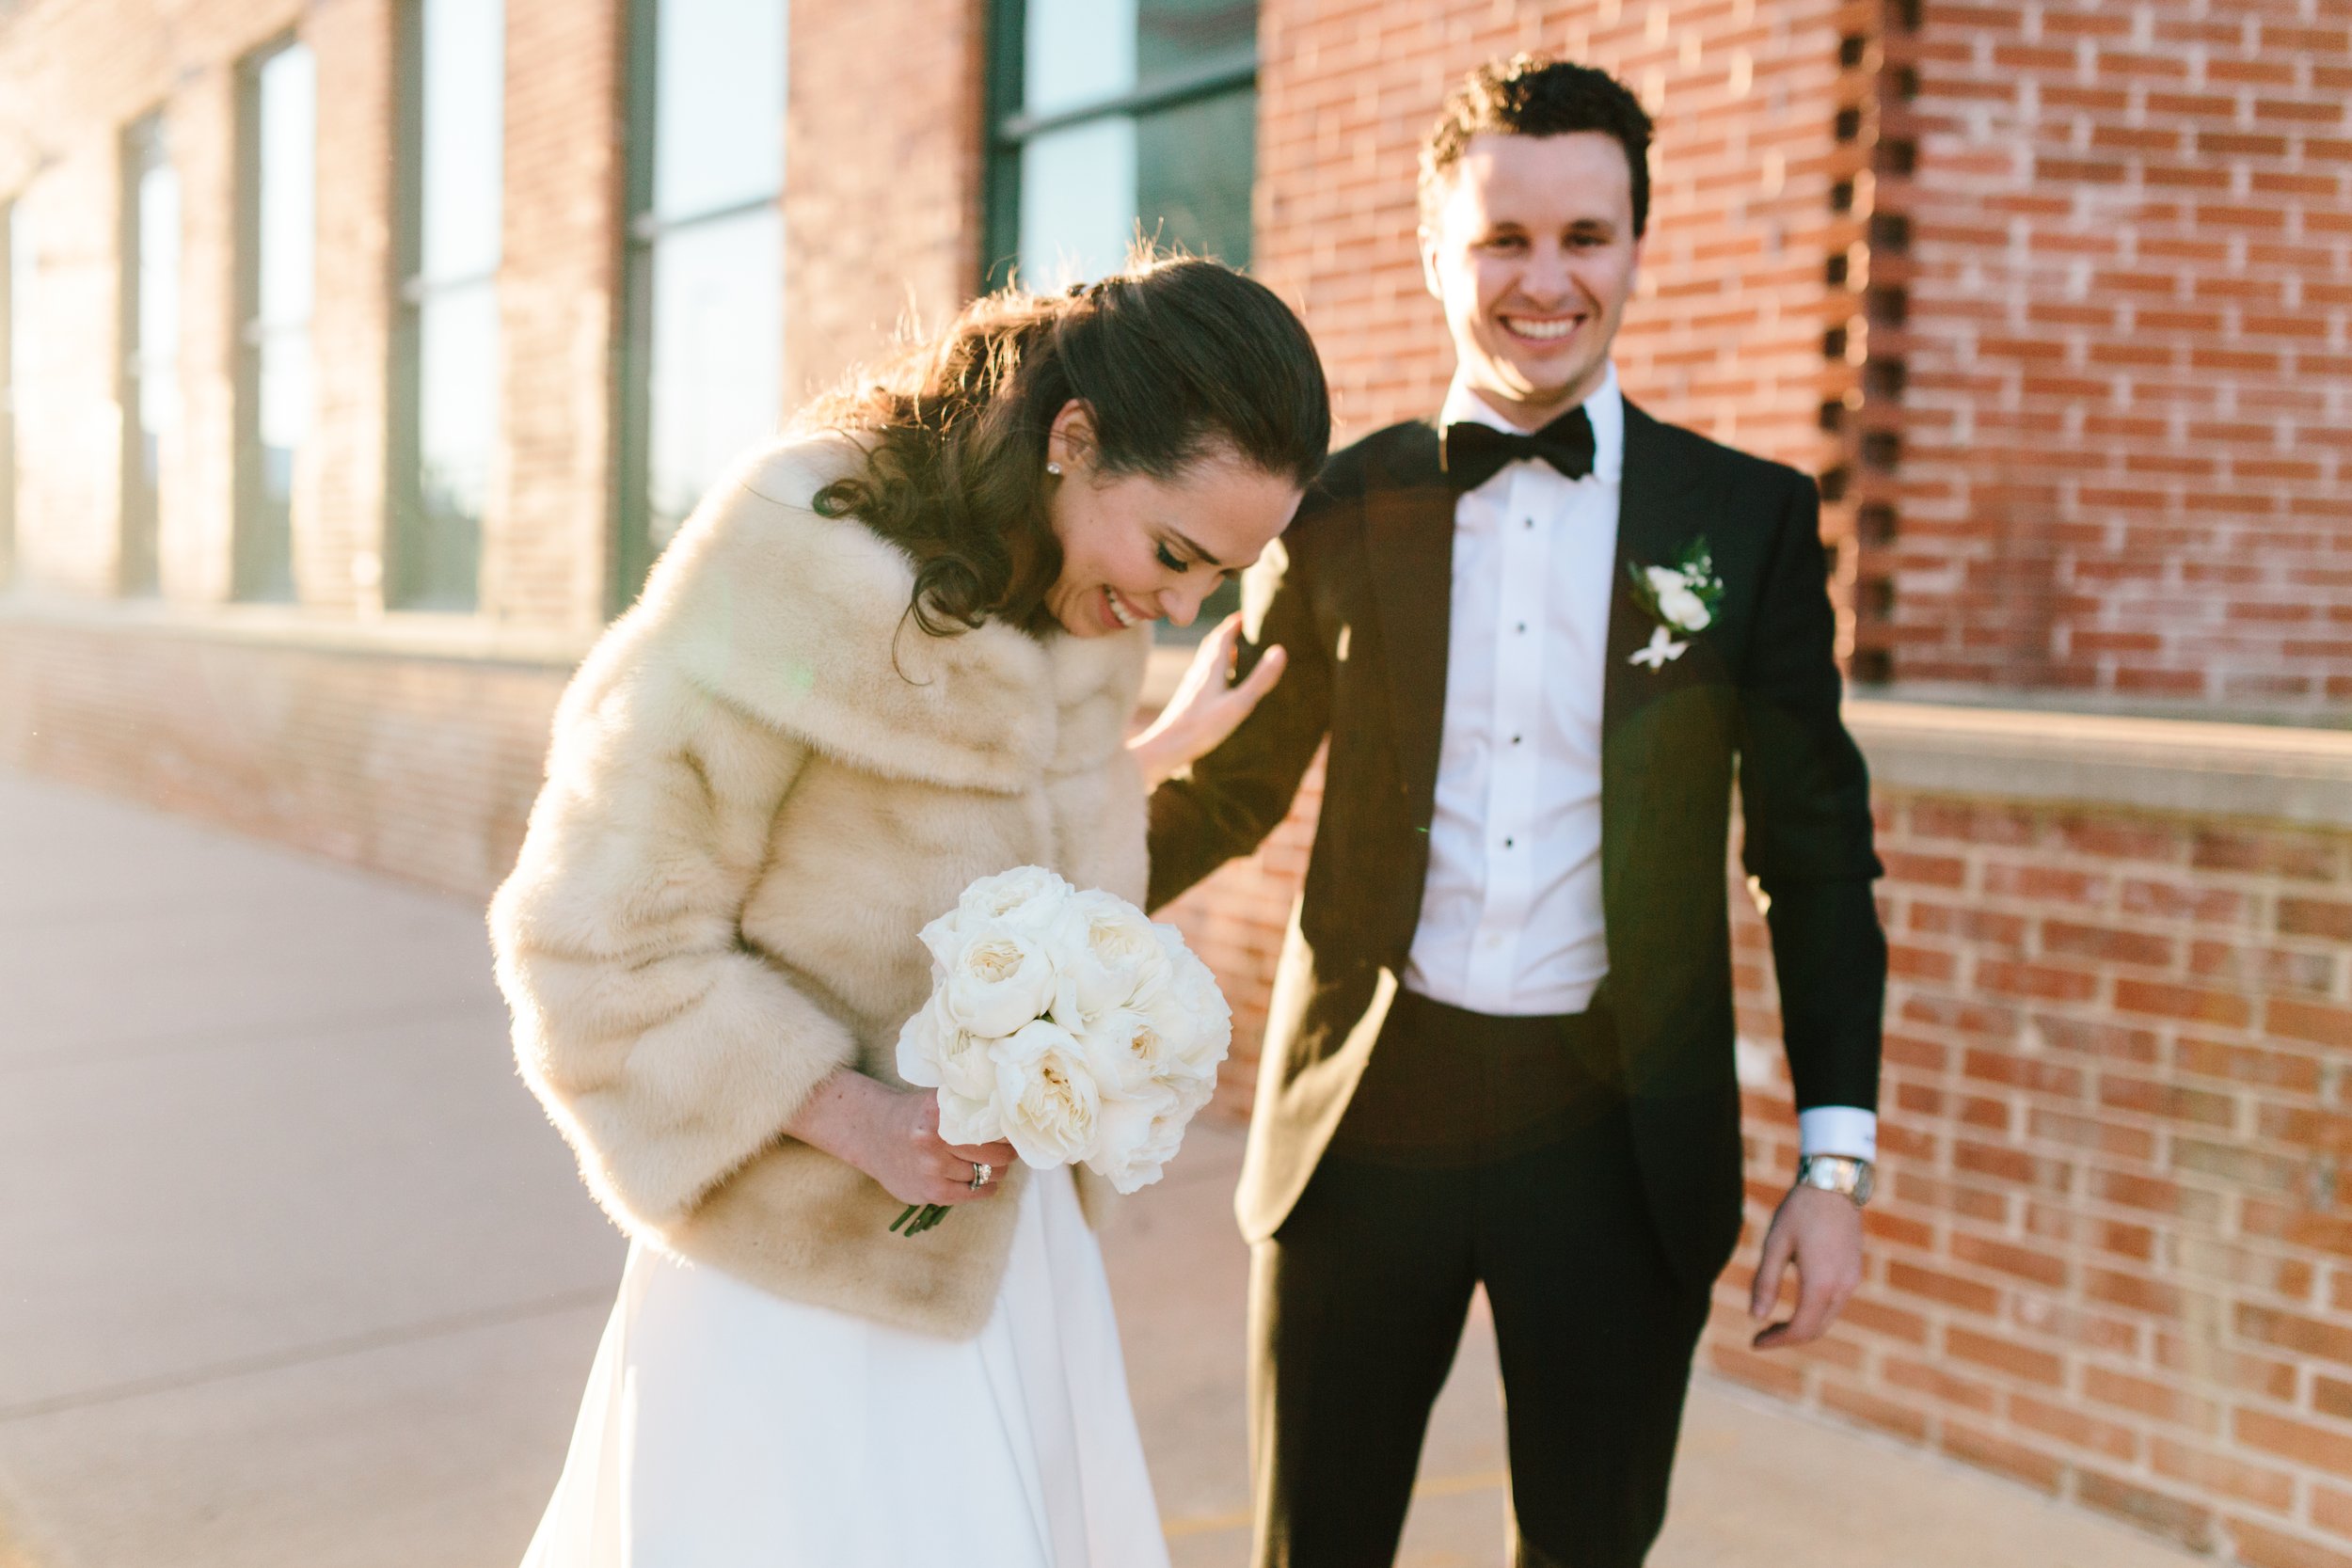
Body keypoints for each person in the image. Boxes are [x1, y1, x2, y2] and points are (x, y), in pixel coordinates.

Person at [1144, 56, 1888, 1568]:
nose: (1545, 281)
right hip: (1362, 1124)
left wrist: (1834, 1167)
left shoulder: (1744, 521)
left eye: (1585, 238)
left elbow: (1812, 859)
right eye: (1503, 239)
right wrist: (1014, 900)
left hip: (1620, 1143)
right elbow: (1230, 787)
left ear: (1635, 246)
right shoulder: (1336, 507)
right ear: (1437, 251)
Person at [488, 253, 1328, 1568]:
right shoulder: (788, 571)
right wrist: (861, 1119)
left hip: (1017, 1282)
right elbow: (591, 942)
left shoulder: (1087, 611)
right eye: (1174, 554)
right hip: (797, 1298)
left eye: (1217, 579)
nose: (1178, 606)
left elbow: (968, 813)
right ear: (1072, 438)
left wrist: (1135, 763)